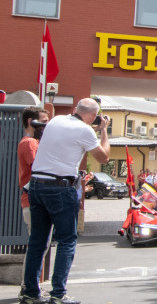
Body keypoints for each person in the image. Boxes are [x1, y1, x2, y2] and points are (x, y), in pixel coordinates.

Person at [20, 98, 111, 304]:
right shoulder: (85, 130)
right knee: (66, 241)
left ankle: (30, 294)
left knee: (37, 241)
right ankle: (58, 294)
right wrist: (103, 130)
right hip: (60, 188)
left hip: (36, 185)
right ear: (94, 116)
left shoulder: (55, 121)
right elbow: (103, 157)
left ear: (75, 109)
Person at [18, 106, 50, 229]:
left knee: (40, 243)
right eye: (44, 122)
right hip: (33, 200)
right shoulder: (29, 143)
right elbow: (39, 169)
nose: (46, 125)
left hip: (34, 199)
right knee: (38, 244)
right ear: (30, 121)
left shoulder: (33, 141)